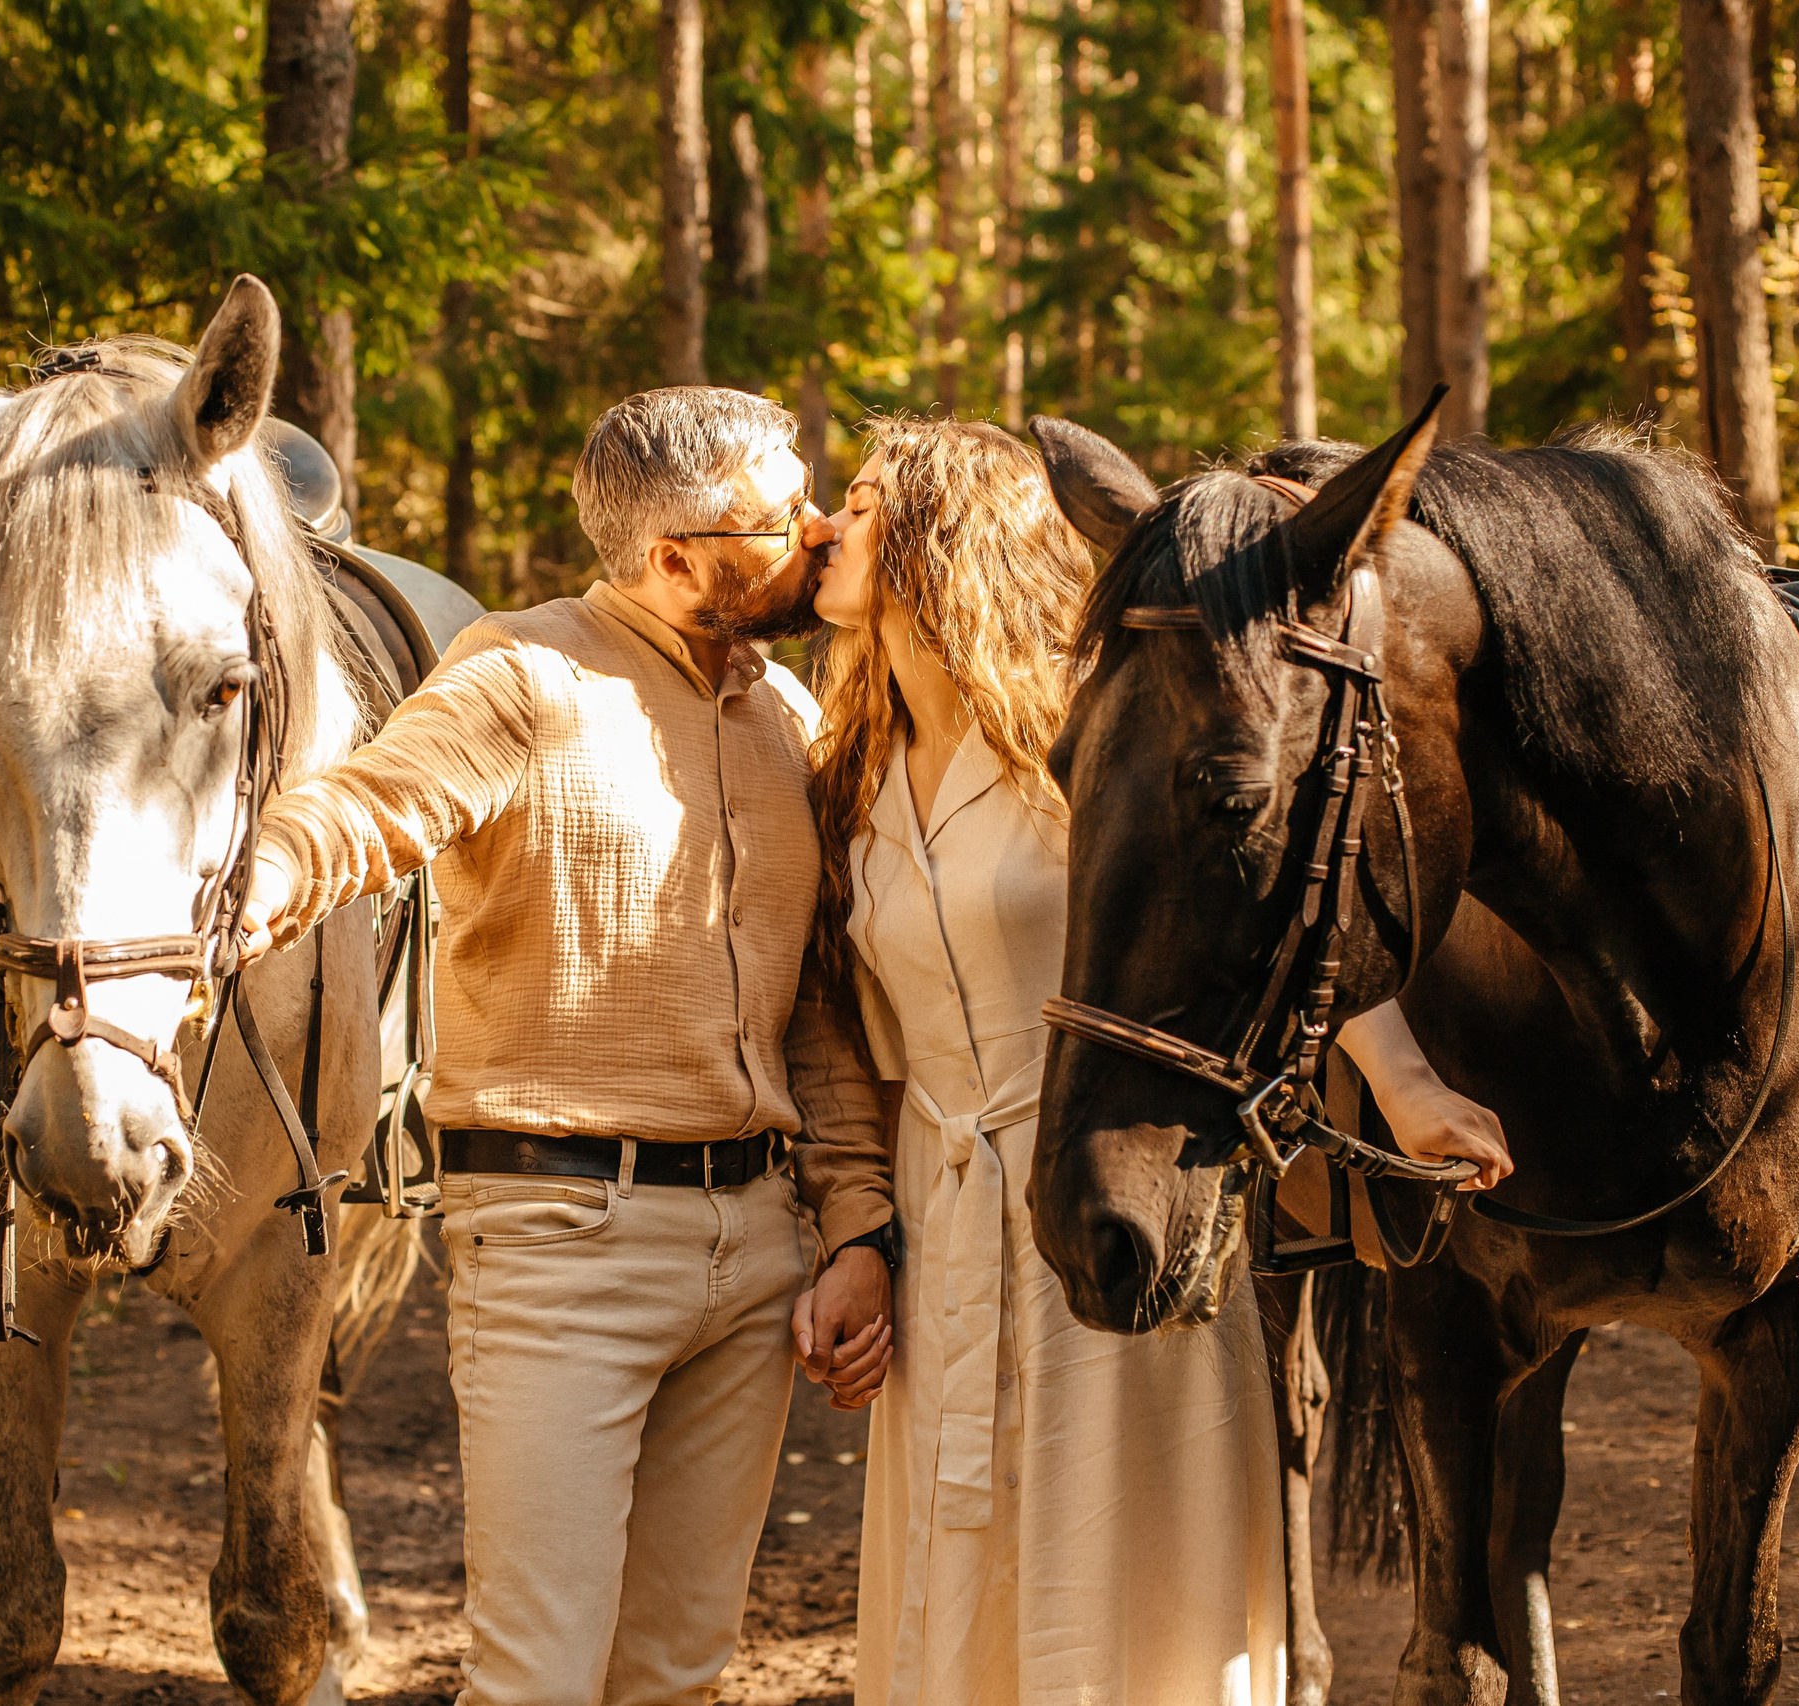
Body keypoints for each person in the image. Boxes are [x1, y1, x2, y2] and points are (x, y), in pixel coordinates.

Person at [788, 420, 1512, 1706]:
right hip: (942, 1222)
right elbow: (852, 1040)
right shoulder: (848, 773)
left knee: (1127, 1578)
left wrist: (1408, 1092)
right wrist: (863, 1231)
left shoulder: (1086, 736)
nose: (821, 529)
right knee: (956, 1584)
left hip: (1121, 1171)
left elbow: (1249, 908)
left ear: (945, 538)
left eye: (857, 500)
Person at [236, 386, 897, 1706]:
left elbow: (818, 1010)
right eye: (781, 516)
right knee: (536, 1677)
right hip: (562, 1243)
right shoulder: (522, 672)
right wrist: (251, 880)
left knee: (679, 1671)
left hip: (756, 1254)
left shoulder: (787, 716)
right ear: (675, 559)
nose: (820, 529)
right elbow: (370, 805)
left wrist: (857, 1226)